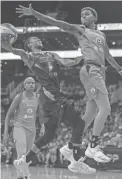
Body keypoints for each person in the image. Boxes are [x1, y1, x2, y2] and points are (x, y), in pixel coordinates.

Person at [16, 4, 122, 163]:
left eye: (87, 14)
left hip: (99, 71)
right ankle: (93, 147)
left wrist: (119, 68)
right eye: (81, 14)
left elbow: (107, 54)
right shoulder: (81, 30)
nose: (83, 16)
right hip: (90, 69)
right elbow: (57, 22)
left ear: (95, 17)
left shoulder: (101, 35)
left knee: (91, 113)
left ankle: (70, 147)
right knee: (105, 108)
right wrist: (35, 13)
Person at [2, 33, 96, 177]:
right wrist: (6, 41)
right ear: (29, 45)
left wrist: (80, 59)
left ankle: (24, 160)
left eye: (38, 38)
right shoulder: (29, 56)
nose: (38, 39)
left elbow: (66, 63)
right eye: (34, 39)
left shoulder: (51, 54)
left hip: (52, 96)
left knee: (49, 134)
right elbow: (14, 50)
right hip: (50, 97)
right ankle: (76, 160)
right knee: (79, 124)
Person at [3, 77, 45, 179]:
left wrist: (43, 126)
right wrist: (5, 133)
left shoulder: (38, 97)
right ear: (24, 86)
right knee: (21, 153)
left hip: (32, 129)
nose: (31, 84)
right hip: (19, 127)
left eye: (33, 83)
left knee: (27, 156)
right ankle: (24, 175)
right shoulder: (19, 97)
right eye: (29, 83)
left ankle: (21, 176)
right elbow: (8, 115)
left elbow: (40, 114)